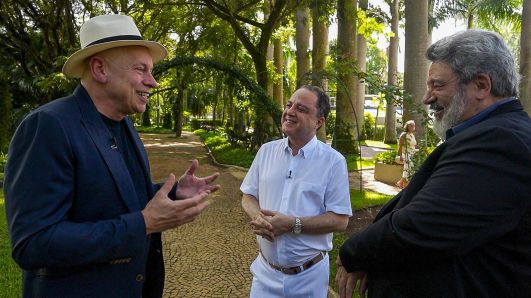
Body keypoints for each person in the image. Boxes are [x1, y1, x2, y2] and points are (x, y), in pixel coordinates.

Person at [3, 15, 220, 298]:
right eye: (141, 69)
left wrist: (173, 193)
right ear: (100, 69)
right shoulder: (49, 126)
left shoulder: (124, 123)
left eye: (151, 71)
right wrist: (144, 223)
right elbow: (33, 243)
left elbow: (111, 199)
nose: (152, 82)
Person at [336, 29, 531, 297]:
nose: (427, 98)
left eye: (437, 85)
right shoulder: (490, 135)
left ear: (482, 86)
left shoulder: (501, 141)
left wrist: (354, 253)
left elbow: (421, 226)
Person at [240, 85, 352, 297]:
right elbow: (248, 195)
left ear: (318, 122)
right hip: (265, 273)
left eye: (301, 108)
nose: (290, 111)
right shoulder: (266, 152)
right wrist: (258, 216)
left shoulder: (333, 162)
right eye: (289, 105)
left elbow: (340, 220)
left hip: (308, 278)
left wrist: (293, 224)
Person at [395, 120, 417, 189]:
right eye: (411, 125)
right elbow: (400, 146)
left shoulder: (412, 135)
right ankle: (405, 185)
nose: (413, 127)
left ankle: (401, 183)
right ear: (407, 126)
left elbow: (414, 145)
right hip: (406, 154)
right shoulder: (404, 134)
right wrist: (401, 155)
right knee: (408, 169)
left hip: (412, 154)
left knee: (408, 169)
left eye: (413, 125)